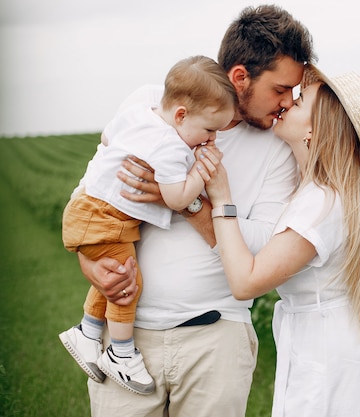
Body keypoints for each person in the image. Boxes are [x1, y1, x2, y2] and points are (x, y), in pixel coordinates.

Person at [72, 5, 316, 417]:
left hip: (217, 339)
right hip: (127, 336)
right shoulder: (152, 104)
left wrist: (188, 203)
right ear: (240, 78)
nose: (286, 102)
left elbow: (260, 251)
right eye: (279, 89)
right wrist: (88, 263)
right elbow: (93, 192)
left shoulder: (279, 150)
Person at [196, 64, 360, 417]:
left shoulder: (320, 201)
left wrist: (220, 198)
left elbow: (246, 282)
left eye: (301, 102)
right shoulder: (322, 190)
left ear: (314, 130)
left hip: (329, 352)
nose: (288, 102)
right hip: (331, 341)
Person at [58, 55, 236, 395]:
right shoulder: (169, 146)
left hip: (89, 208)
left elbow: (107, 137)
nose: (211, 139)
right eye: (210, 130)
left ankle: (88, 330)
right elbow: (177, 199)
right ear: (181, 115)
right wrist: (201, 171)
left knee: (114, 273)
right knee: (128, 281)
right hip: (103, 218)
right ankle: (121, 354)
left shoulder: (140, 114)